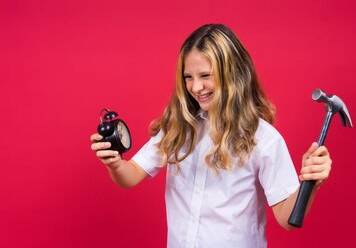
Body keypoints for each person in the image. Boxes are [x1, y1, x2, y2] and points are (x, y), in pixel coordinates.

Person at [90, 24, 332, 248]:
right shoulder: (179, 127)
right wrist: (115, 164)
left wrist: (311, 183)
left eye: (205, 75)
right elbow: (130, 175)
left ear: (233, 74)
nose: (196, 87)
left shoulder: (264, 139)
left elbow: (287, 218)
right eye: (188, 77)